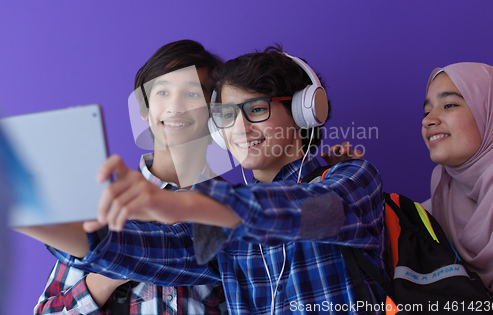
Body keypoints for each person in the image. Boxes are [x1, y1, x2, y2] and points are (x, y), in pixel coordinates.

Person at [20, 47, 390, 314]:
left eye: (257, 109)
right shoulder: (219, 219)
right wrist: (25, 211)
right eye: (227, 114)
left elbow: (310, 213)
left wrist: (176, 202)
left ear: (303, 111)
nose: (241, 128)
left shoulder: (353, 175)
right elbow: (136, 249)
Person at [34, 40, 227, 314]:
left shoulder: (235, 212)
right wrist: (107, 275)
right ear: (145, 110)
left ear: (215, 111)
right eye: (162, 92)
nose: (175, 107)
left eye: (193, 94)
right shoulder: (102, 205)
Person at [421, 62, 493, 301]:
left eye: (449, 105)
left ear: (492, 112)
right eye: (426, 111)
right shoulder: (442, 192)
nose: (429, 120)